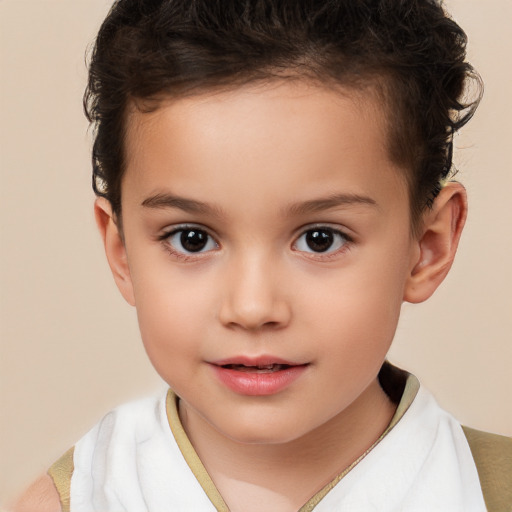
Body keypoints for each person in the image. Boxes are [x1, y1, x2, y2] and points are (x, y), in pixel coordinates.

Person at [10, 0, 511, 510]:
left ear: (427, 247)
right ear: (122, 252)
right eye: (192, 239)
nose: (252, 308)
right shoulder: (77, 498)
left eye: (320, 238)